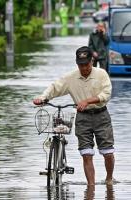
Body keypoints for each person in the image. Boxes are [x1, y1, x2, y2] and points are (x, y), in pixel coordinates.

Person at [33, 46, 115, 186]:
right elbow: (55, 87)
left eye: (86, 64)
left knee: (107, 152)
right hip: (83, 118)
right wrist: (42, 98)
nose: (84, 68)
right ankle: (91, 187)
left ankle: (109, 178)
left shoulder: (101, 74)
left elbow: (106, 94)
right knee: (86, 154)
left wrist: (87, 101)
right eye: (80, 65)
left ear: (92, 61)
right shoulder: (71, 77)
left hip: (101, 115)